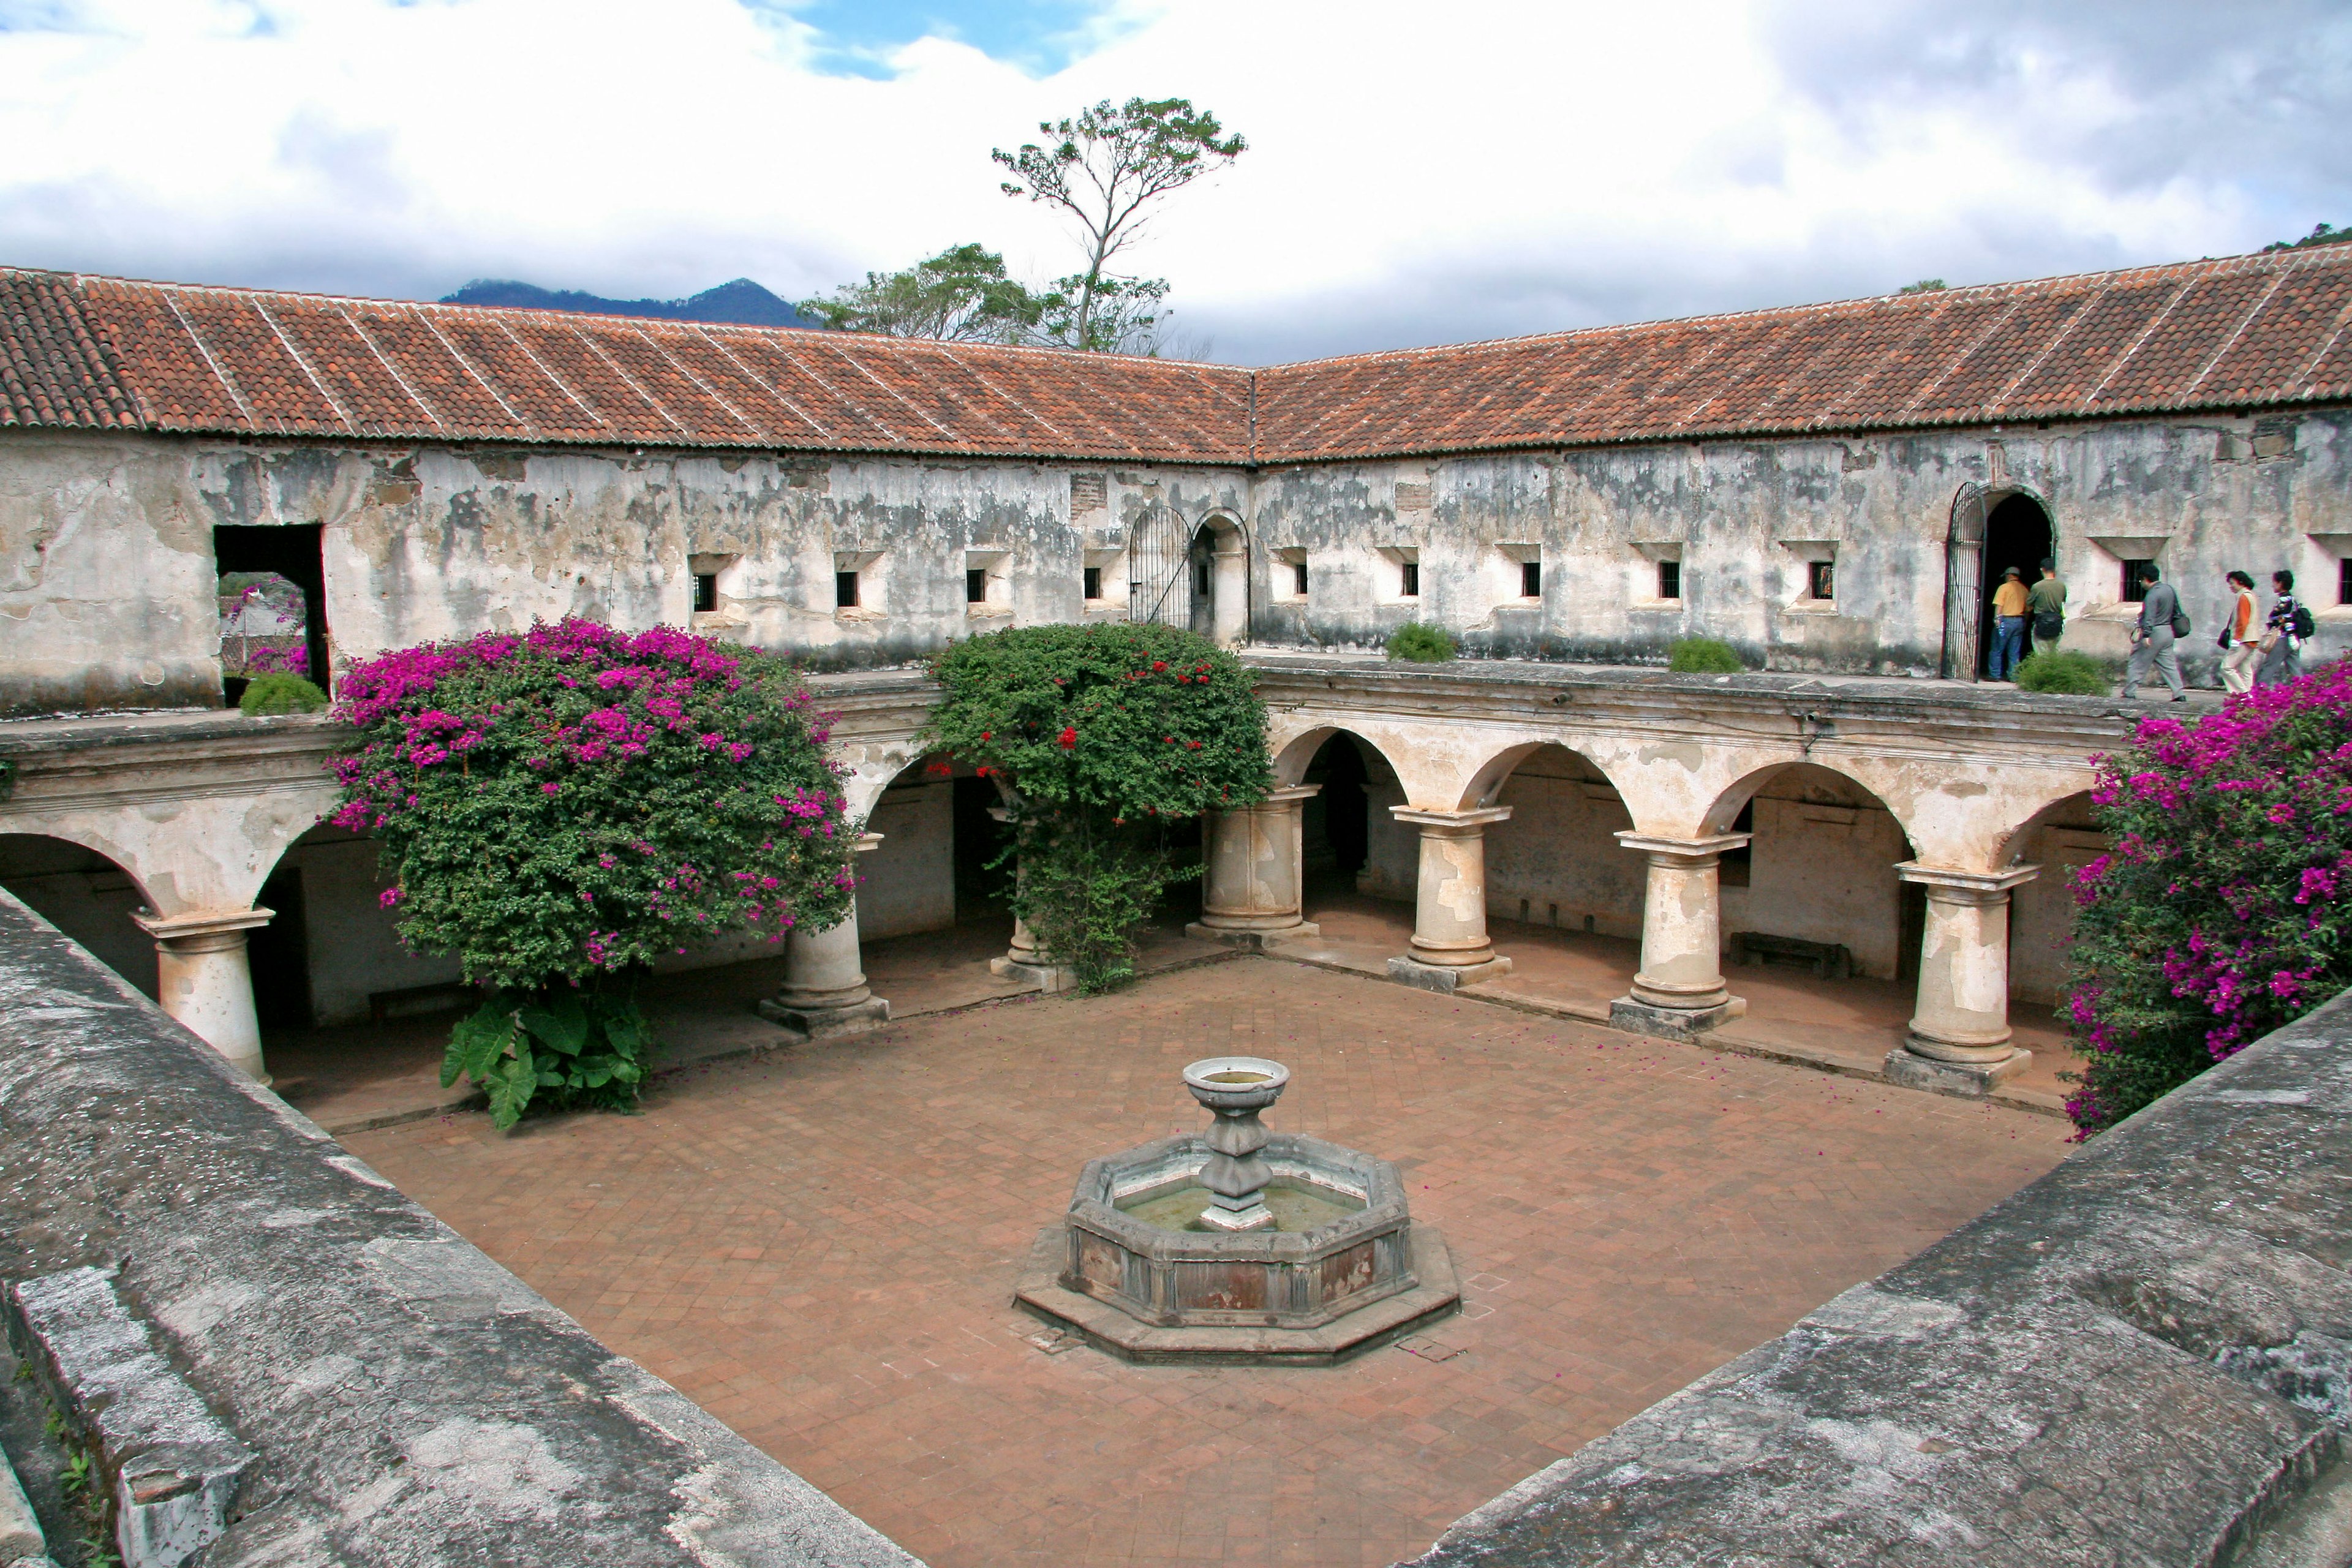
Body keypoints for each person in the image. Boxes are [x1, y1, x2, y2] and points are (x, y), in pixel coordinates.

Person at [2120, 562, 2187, 701]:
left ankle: (2130, 691)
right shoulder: (2169, 589)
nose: (2141, 583)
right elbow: (2176, 611)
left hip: (2154, 632)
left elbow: (2149, 616)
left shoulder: (2152, 595)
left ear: (2145, 579)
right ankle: (2179, 692)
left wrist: (2146, 635)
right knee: (2168, 665)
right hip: (2168, 630)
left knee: (2138, 661)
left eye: (2141, 580)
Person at [2257, 568, 2307, 688]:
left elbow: (2285, 619)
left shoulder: (2284, 600)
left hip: (2284, 637)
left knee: (2269, 666)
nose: (2273, 585)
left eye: (2275, 582)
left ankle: (2260, 692)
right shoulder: (2293, 599)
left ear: (2280, 583)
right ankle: (2304, 691)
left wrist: (2288, 634)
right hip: (2294, 638)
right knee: (2294, 667)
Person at [2220, 570, 2261, 693]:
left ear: (2241, 583)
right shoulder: (2251, 595)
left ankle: (2242, 693)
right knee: (2245, 668)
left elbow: (2242, 621)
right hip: (2251, 638)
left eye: (2232, 583)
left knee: (2226, 667)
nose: (2231, 586)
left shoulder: (2243, 596)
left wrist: (2237, 639)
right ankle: (2249, 696)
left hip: (2243, 638)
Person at [1988, 566, 2029, 679]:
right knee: (2014, 651)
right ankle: (2014, 676)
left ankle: (1995, 675)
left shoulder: (2004, 588)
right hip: (2019, 621)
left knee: (1997, 649)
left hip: (2005, 621)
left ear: (2009, 575)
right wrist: (2025, 622)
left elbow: (1999, 605)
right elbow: (2028, 609)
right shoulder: (2024, 589)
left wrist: (1997, 619)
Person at [2027, 559, 2067, 650]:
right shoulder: (2062, 585)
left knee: (2041, 652)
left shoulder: (2037, 587)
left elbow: (2029, 604)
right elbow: (2063, 601)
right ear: (2054, 569)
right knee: (2053, 652)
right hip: (2057, 623)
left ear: (2042, 569)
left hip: (2042, 623)